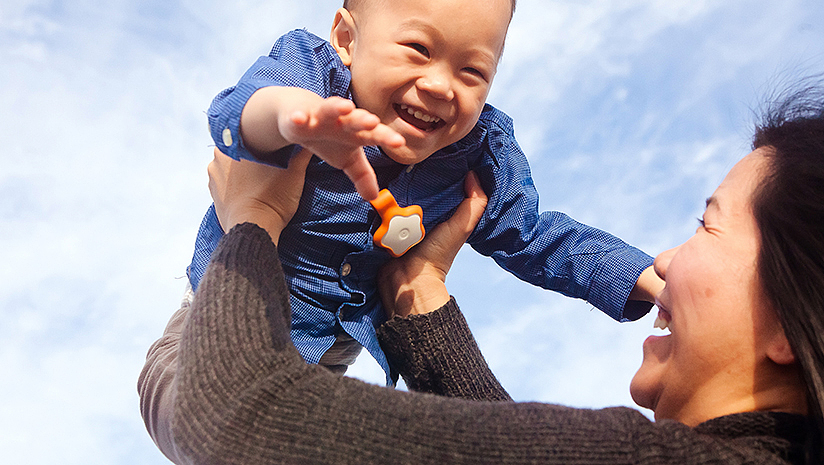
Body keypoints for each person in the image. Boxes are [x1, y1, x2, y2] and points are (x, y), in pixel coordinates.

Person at [139, 82, 824, 464]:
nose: (669, 257)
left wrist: (252, 217)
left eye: (707, 224)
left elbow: (231, 417)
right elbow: (507, 447)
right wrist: (421, 302)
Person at [187, 0, 661, 383]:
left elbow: (533, 236)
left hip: (328, 363)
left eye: (473, 72)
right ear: (348, 40)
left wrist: (645, 278)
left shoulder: (478, 150)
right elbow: (238, 112)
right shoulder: (311, 74)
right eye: (417, 47)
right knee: (221, 415)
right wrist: (289, 118)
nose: (440, 85)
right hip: (211, 325)